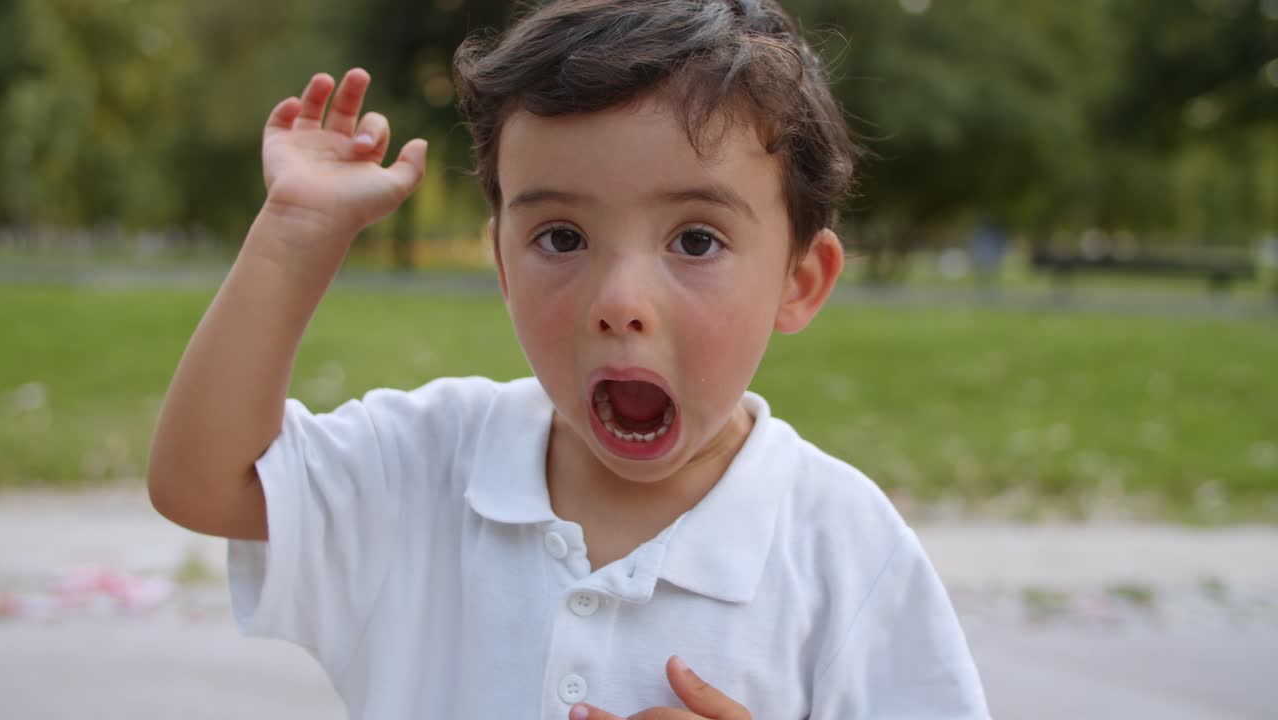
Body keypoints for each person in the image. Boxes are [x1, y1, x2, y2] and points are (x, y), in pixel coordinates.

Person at [147, 1, 989, 717]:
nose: (618, 302)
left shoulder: (843, 550)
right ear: (505, 266)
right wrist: (293, 237)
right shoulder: (425, 466)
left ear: (799, 282)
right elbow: (204, 482)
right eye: (561, 237)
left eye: (695, 239)